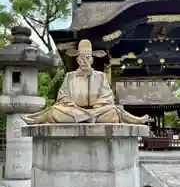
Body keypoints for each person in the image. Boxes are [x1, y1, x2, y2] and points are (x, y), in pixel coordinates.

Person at [21, 39, 149, 124]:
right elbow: (62, 97)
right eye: (81, 59)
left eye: (87, 58)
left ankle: (88, 118)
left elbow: (107, 97)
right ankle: (36, 118)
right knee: (55, 111)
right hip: (74, 111)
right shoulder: (70, 76)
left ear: (92, 60)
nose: (84, 61)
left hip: (97, 112)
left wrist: (97, 106)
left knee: (113, 113)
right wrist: (72, 104)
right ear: (77, 60)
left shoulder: (100, 76)